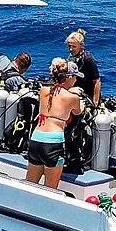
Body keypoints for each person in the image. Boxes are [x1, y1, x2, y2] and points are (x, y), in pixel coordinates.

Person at [26, 58, 84, 188]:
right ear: (68, 77)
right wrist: (75, 95)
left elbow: (55, 94)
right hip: (53, 143)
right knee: (50, 189)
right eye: (74, 77)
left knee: (30, 184)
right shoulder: (72, 97)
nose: (75, 80)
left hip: (36, 138)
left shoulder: (43, 90)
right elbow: (77, 112)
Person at [65, 29, 101, 105]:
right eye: (69, 46)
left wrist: (95, 102)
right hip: (75, 92)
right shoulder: (72, 56)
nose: (71, 49)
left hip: (86, 96)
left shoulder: (87, 59)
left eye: (74, 47)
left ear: (81, 46)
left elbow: (97, 81)